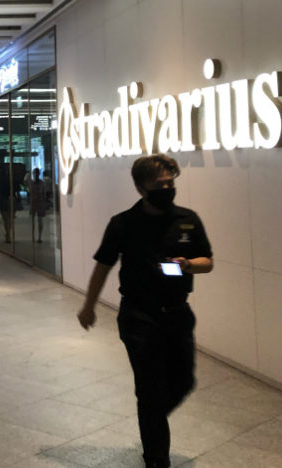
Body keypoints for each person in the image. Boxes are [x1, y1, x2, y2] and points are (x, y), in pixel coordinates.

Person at [77, 154, 213, 468]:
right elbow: (103, 266)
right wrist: (89, 306)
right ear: (141, 188)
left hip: (178, 313)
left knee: (183, 382)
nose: (168, 188)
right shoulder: (123, 223)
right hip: (139, 316)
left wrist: (188, 264)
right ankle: (156, 458)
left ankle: (150, 417)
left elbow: (208, 261)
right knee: (150, 388)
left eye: (171, 182)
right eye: (160, 184)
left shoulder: (187, 219)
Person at [26, 167, 47, 243]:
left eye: (36, 173)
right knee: (33, 220)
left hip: (40, 202)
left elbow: (44, 194)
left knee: (40, 220)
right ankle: (33, 235)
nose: (35, 175)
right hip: (34, 202)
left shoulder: (42, 183)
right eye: (34, 173)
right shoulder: (31, 183)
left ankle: (39, 236)